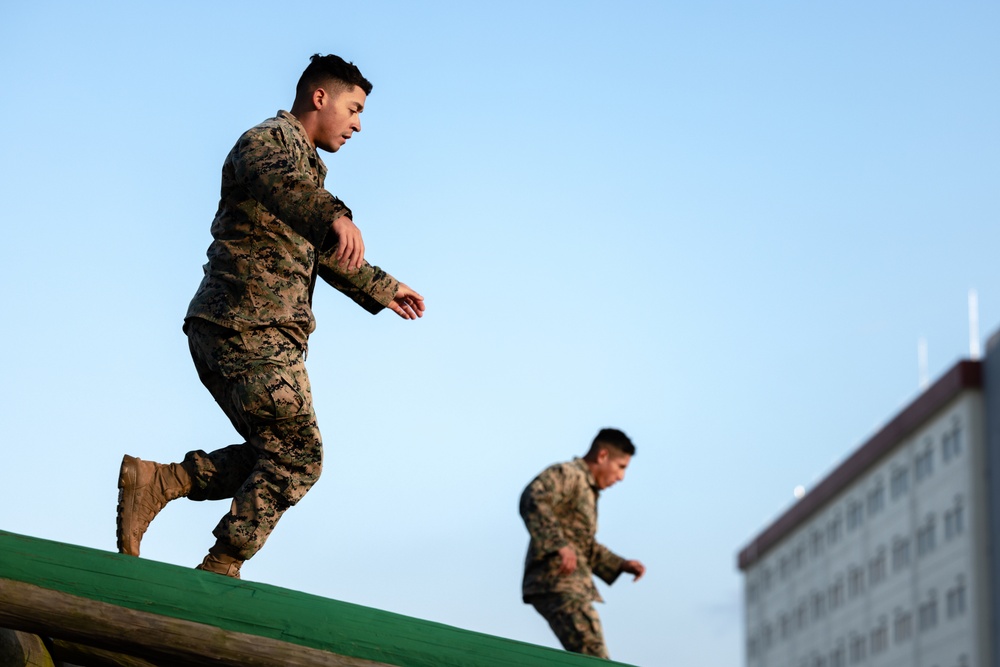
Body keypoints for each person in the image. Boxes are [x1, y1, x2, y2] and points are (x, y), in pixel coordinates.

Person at [116, 54, 425, 578]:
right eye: (353, 109)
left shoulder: (304, 169)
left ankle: (162, 481)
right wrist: (335, 213)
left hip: (245, 330)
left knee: (276, 452)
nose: (358, 125)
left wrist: (383, 286)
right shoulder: (269, 142)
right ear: (319, 98)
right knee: (299, 456)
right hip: (246, 327)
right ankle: (222, 563)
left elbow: (324, 251)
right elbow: (274, 177)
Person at [519, 428, 646, 659]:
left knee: (591, 654)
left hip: (569, 585)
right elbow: (533, 496)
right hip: (557, 582)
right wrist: (558, 544)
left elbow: (583, 546)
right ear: (603, 456)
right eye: (621, 467)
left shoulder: (588, 490)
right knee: (594, 655)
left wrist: (620, 564)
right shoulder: (569, 474)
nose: (621, 477)